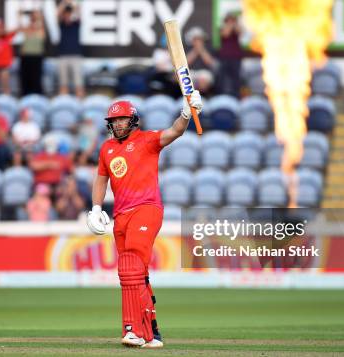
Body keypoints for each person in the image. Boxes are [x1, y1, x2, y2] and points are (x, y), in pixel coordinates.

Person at [86, 90, 203, 348]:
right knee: (136, 273)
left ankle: (132, 331)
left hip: (146, 209)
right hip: (121, 215)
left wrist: (186, 112)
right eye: (114, 121)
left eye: (122, 119)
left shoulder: (147, 140)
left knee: (130, 266)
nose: (117, 124)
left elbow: (175, 131)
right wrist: (95, 207)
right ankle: (151, 333)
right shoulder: (106, 149)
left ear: (133, 120)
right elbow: (101, 179)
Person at [57, 0, 85, 98]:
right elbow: (58, 13)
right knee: (63, 83)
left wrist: (72, 2)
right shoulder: (62, 25)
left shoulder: (76, 24)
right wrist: (64, 2)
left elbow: (78, 11)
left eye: (69, 14)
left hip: (75, 55)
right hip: (63, 55)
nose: (67, 16)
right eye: (66, 14)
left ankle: (80, 103)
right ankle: (64, 103)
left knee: (78, 82)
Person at [19, 10, 46, 95]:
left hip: (36, 56)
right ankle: (25, 95)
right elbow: (20, 26)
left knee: (36, 78)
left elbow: (41, 24)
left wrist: (37, 16)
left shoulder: (40, 29)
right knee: (25, 78)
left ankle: (37, 95)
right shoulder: (26, 29)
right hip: (26, 56)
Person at [185, 27, 218, 96]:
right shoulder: (187, 48)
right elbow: (185, 64)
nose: (198, 41)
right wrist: (195, 51)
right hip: (191, 72)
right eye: (195, 39)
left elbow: (210, 63)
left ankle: (203, 97)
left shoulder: (208, 47)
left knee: (203, 79)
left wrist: (201, 50)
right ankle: (190, 99)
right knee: (185, 79)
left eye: (199, 39)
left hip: (204, 72)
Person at [218, 13, 243, 97]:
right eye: (229, 20)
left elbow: (240, 32)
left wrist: (234, 25)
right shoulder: (222, 28)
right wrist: (230, 25)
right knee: (223, 77)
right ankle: (221, 94)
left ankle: (236, 95)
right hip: (224, 57)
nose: (230, 22)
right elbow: (226, 34)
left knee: (236, 77)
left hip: (235, 57)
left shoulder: (237, 28)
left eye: (232, 20)